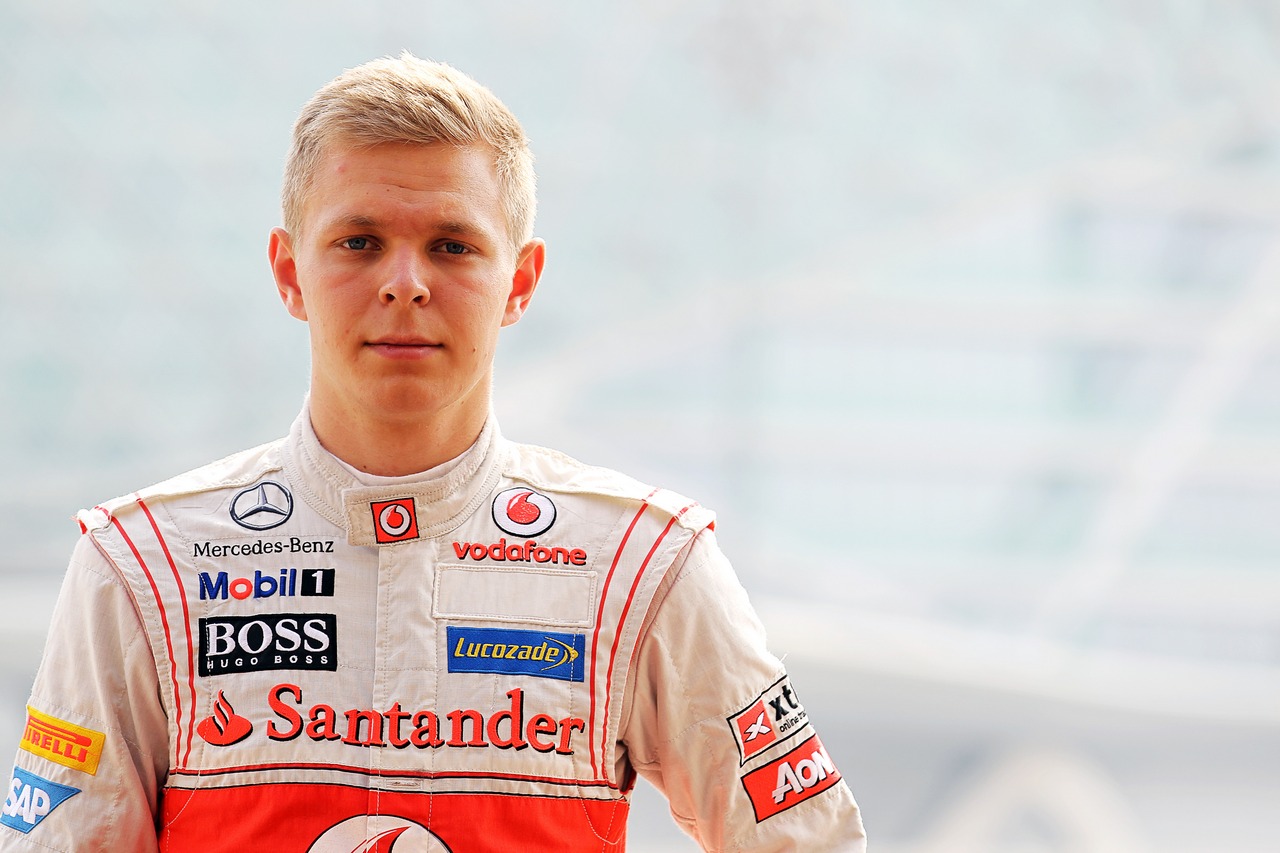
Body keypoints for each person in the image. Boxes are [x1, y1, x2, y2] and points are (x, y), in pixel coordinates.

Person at [1, 53, 866, 851]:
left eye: (452, 245)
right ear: (288, 271)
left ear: (519, 282)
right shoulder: (141, 564)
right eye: (359, 240)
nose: (404, 281)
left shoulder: (644, 563)